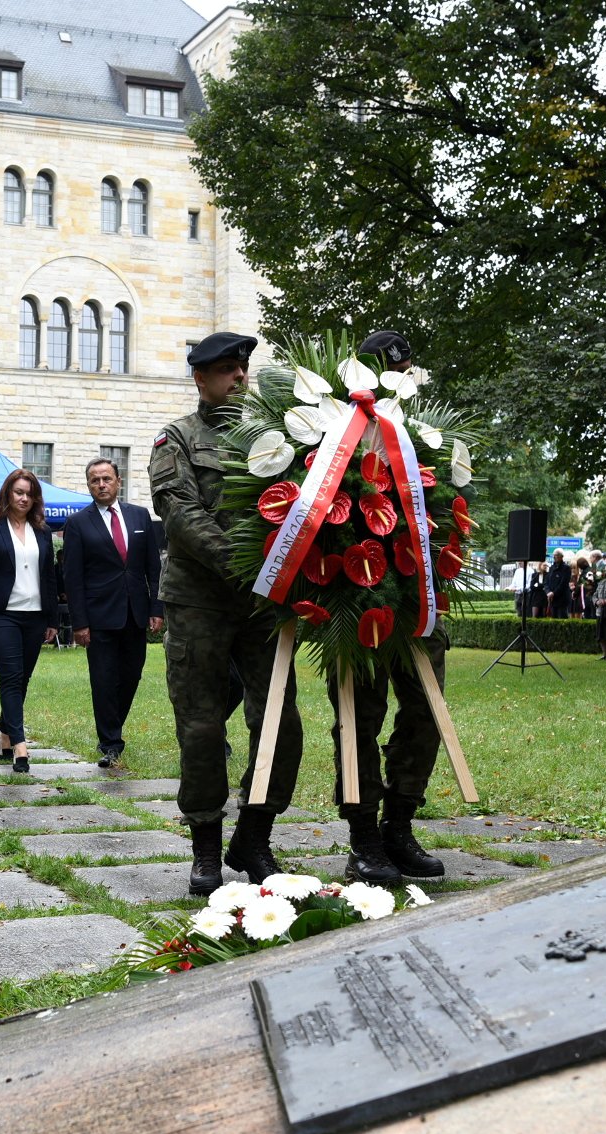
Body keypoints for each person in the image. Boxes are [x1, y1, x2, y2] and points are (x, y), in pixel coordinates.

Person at [150, 330, 302, 897]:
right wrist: (246, 565)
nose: (240, 377)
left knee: (280, 726)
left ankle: (255, 837)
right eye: (227, 370)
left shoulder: (276, 439)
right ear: (201, 378)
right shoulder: (177, 440)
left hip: (264, 605)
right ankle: (207, 850)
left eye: (243, 368)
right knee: (202, 727)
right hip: (199, 603)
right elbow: (181, 515)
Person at [324, 329, 450, 885]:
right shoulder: (333, 423)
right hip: (355, 596)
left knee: (425, 712)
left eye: (403, 366)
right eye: (384, 368)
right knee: (358, 716)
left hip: (415, 595)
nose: (397, 375)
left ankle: (400, 823)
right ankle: (363, 836)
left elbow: (442, 500)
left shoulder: (422, 431)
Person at [63, 456, 165, 768]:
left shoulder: (139, 516)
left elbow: (153, 567)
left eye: (106, 478)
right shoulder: (78, 523)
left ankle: (113, 727)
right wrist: (79, 623)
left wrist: (156, 608)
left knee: (131, 676)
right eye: (95, 480)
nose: (101, 484)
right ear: (89, 485)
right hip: (98, 618)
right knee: (104, 680)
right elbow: (73, 578)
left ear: (118, 481)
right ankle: (110, 742)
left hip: (135, 613)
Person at [0, 469, 60, 774]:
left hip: (35, 615)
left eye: (29, 493)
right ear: (7, 493)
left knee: (22, 680)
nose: (23, 498)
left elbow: (49, 577)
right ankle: (20, 746)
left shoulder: (42, 531)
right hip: (1, 614)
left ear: (35, 498)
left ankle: (4, 734)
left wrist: (52, 618)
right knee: (9, 676)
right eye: (18, 492)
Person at [546, 550, 572, 618]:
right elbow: (546, 582)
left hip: (562, 599)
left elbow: (563, 583)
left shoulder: (566, 568)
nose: (555, 557)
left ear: (561, 557)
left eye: (557, 555)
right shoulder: (551, 568)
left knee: (562, 618)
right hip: (552, 599)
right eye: (554, 555)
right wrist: (548, 592)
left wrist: (554, 593)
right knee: (553, 618)